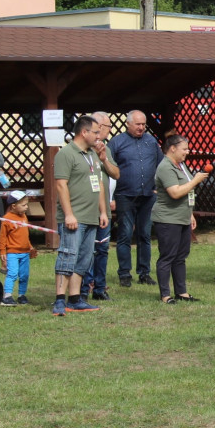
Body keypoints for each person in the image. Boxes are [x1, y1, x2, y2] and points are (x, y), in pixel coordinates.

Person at [53, 115, 109, 315]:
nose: (98, 136)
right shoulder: (66, 154)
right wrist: (69, 214)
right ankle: (59, 300)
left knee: (84, 260)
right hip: (74, 218)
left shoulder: (92, 154)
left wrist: (103, 212)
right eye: (95, 132)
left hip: (91, 217)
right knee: (67, 257)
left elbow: (99, 184)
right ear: (84, 132)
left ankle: (75, 299)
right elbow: (61, 185)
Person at [107, 110, 162, 288]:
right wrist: (111, 196)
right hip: (125, 195)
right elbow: (107, 170)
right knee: (124, 234)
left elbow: (161, 165)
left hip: (148, 195)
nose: (141, 127)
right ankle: (124, 273)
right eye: (138, 124)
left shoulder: (151, 141)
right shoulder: (117, 142)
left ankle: (144, 272)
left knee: (144, 234)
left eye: (143, 124)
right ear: (128, 124)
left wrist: (158, 188)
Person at [152, 134, 207, 304]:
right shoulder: (165, 167)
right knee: (167, 256)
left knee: (181, 256)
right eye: (184, 149)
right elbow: (175, 192)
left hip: (182, 217)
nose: (187, 152)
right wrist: (196, 180)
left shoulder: (180, 165)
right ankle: (165, 295)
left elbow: (186, 191)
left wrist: (190, 214)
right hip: (168, 218)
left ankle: (181, 292)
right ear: (173, 148)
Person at [83, 112, 119, 301]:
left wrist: (104, 159)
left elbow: (116, 174)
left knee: (102, 249)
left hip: (103, 210)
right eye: (106, 127)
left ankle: (99, 288)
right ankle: (84, 286)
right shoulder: (81, 150)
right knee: (86, 250)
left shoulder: (106, 149)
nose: (108, 131)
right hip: (87, 210)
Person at [0, 191, 35, 305]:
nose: (26, 207)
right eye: (23, 205)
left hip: (25, 252)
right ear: (14, 206)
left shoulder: (24, 217)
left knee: (24, 275)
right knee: (12, 273)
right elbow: (2, 237)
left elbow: (25, 235)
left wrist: (30, 247)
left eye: (27, 204)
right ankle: (7, 296)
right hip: (12, 252)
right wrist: (2, 251)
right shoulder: (7, 219)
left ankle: (21, 295)